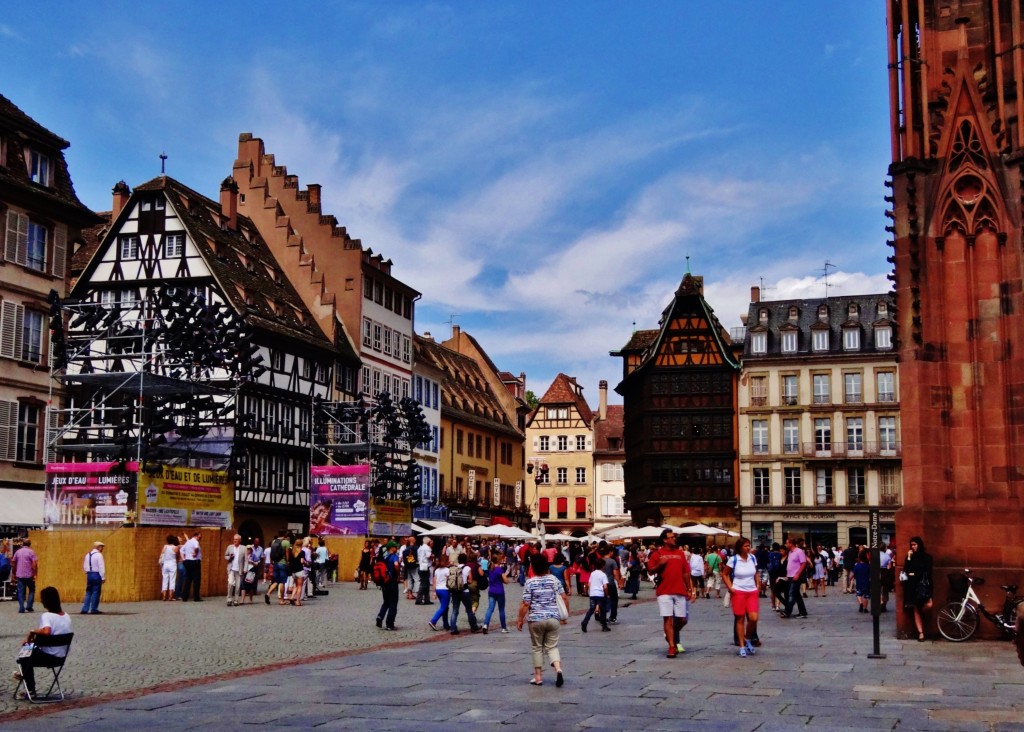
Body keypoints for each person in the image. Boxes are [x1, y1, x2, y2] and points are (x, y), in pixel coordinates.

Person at [516, 553, 568, 687]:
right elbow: (564, 597)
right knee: (552, 647)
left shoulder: (530, 582)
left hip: (536, 619)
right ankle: (558, 669)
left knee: (537, 647)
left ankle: (538, 677)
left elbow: (526, 603)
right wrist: (565, 614)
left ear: (533, 567)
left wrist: (520, 619)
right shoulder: (554, 579)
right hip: (553, 618)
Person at [13, 586, 71, 700]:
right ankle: (24, 676)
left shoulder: (47, 616)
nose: (41, 601)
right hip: (60, 657)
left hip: (49, 657)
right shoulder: (66, 616)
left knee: (24, 655)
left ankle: (30, 689)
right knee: (29, 649)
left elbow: (47, 632)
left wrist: (32, 631)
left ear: (47, 601)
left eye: (42, 599)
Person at [647, 528, 695, 658]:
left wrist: (690, 588)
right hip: (664, 590)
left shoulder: (680, 554)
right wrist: (659, 565)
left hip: (679, 589)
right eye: (671, 537)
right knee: (667, 618)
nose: (674, 539)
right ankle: (672, 647)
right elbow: (650, 571)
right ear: (664, 539)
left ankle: (670, 634)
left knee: (682, 619)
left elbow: (686, 572)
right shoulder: (657, 554)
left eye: (674, 537)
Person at [722, 537, 760, 657]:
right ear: (739, 548)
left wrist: (758, 585)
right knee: (740, 618)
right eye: (745, 546)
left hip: (752, 591)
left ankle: (747, 638)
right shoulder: (734, 560)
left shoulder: (752, 558)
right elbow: (724, 574)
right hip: (738, 591)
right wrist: (730, 587)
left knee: (753, 618)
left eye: (749, 545)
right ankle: (742, 646)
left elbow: (756, 572)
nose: (748, 548)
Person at [902, 536, 934, 641]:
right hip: (912, 586)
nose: (913, 547)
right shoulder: (910, 556)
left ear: (919, 545)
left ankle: (922, 614)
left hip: (924, 585)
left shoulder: (927, 557)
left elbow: (927, 571)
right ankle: (921, 633)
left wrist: (914, 573)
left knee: (929, 604)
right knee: (915, 608)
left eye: (915, 544)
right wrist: (909, 558)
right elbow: (907, 570)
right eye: (911, 545)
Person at [448, 553, 481, 634]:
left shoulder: (454, 568)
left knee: (455, 610)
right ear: (466, 560)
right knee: (469, 610)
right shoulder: (467, 568)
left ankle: (453, 628)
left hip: (455, 591)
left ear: (458, 560)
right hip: (464, 591)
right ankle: (474, 627)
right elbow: (470, 580)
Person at [375, 541, 401, 630]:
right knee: (393, 603)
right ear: (391, 548)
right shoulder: (394, 556)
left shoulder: (384, 557)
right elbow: (396, 565)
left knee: (386, 602)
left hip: (384, 582)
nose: (397, 548)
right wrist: (398, 574)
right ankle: (389, 624)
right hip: (392, 581)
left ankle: (380, 616)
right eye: (395, 547)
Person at [780, 537, 809, 619]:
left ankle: (787, 611)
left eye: (787, 543)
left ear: (790, 544)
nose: (786, 545)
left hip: (795, 576)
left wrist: (798, 574)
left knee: (791, 594)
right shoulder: (790, 552)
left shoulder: (799, 551)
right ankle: (803, 612)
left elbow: (803, 563)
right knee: (796, 595)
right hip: (790, 576)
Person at [482, 550, 510, 633]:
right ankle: (504, 627)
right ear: (499, 560)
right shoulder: (499, 569)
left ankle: (485, 624)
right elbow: (506, 581)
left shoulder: (491, 569)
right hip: (499, 592)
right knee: (501, 610)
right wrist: (505, 576)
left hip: (491, 591)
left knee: (490, 609)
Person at [581, 555, 610, 633]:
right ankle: (604, 626)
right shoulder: (603, 575)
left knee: (591, 609)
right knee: (603, 610)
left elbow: (589, 583)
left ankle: (585, 622)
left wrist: (589, 591)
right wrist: (607, 594)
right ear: (603, 566)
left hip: (593, 594)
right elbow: (605, 586)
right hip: (600, 594)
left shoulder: (593, 573)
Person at [11, 539, 38, 614]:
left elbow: (13, 563)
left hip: (20, 574)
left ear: (23, 544)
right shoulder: (31, 552)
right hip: (29, 575)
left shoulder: (18, 552)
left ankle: (21, 608)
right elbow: (34, 564)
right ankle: (29, 606)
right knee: (32, 590)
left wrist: (14, 573)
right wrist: (35, 574)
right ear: (30, 544)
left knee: (20, 591)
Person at [81, 541, 106, 614]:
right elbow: (101, 566)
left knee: (88, 591)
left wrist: (87, 571)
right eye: (101, 547)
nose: (102, 549)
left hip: (89, 574)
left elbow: (85, 565)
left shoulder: (88, 554)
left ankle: (85, 608)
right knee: (96, 592)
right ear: (98, 547)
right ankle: (94, 608)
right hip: (96, 574)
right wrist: (103, 577)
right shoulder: (99, 555)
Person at [429, 555, 452, 631]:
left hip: (438, 590)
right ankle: (433, 621)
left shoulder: (437, 570)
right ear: (446, 561)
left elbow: (434, 582)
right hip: (445, 590)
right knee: (443, 607)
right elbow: (450, 581)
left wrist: (434, 592)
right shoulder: (447, 570)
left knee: (445, 607)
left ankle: (446, 624)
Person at [181, 531, 203, 602]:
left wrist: (183, 559)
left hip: (187, 561)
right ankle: (196, 597)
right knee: (196, 580)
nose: (200, 538)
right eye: (200, 536)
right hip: (194, 561)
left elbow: (181, 550)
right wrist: (195, 553)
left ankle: (184, 597)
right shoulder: (195, 542)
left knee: (188, 579)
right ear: (196, 536)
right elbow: (196, 547)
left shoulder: (188, 542)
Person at [225, 534, 245, 606]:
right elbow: (225, 556)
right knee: (230, 583)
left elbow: (246, 560)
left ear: (239, 540)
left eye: (236, 539)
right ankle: (229, 599)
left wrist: (245, 569)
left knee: (238, 586)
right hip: (231, 569)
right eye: (234, 539)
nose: (235, 541)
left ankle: (236, 600)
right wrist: (229, 557)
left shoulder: (243, 548)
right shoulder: (230, 547)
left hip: (239, 570)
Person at [158, 535, 179, 602]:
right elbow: (177, 556)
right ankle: (170, 596)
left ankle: (164, 596)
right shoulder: (175, 547)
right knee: (172, 580)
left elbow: (162, 554)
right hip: (172, 563)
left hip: (165, 564)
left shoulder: (165, 546)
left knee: (165, 579)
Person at [416, 537, 434, 605]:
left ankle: (427, 599)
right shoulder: (427, 548)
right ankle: (419, 599)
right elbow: (428, 556)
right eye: (430, 541)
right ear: (428, 542)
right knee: (423, 584)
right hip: (425, 567)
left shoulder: (420, 548)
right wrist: (433, 555)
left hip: (421, 566)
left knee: (426, 584)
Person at [853, 548, 871, 613]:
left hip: (859, 582)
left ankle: (860, 603)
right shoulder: (868, 566)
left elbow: (852, 574)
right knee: (866, 596)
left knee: (859, 594)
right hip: (866, 583)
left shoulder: (857, 566)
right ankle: (865, 608)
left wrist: (851, 579)